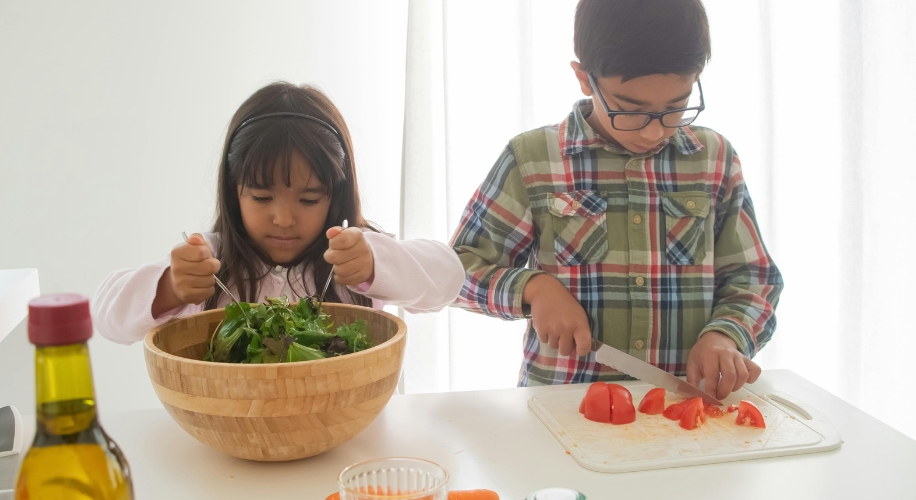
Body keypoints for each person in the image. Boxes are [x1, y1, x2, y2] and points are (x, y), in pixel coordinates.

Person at [450, 0, 783, 399]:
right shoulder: (532, 159)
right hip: (563, 408)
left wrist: (726, 336)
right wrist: (533, 287)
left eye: (676, 107)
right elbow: (455, 274)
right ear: (584, 79)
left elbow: (753, 278)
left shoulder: (714, 159)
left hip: (685, 410)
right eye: (631, 110)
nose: (652, 132)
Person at [94, 82, 464, 345]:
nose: (285, 219)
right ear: (232, 190)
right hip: (230, 444)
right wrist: (169, 288)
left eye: (308, 200)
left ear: (335, 196)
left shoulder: (353, 254)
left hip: (349, 439)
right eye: (261, 197)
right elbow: (105, 316)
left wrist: (375, 263)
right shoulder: (209, 259)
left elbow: (448, 279)